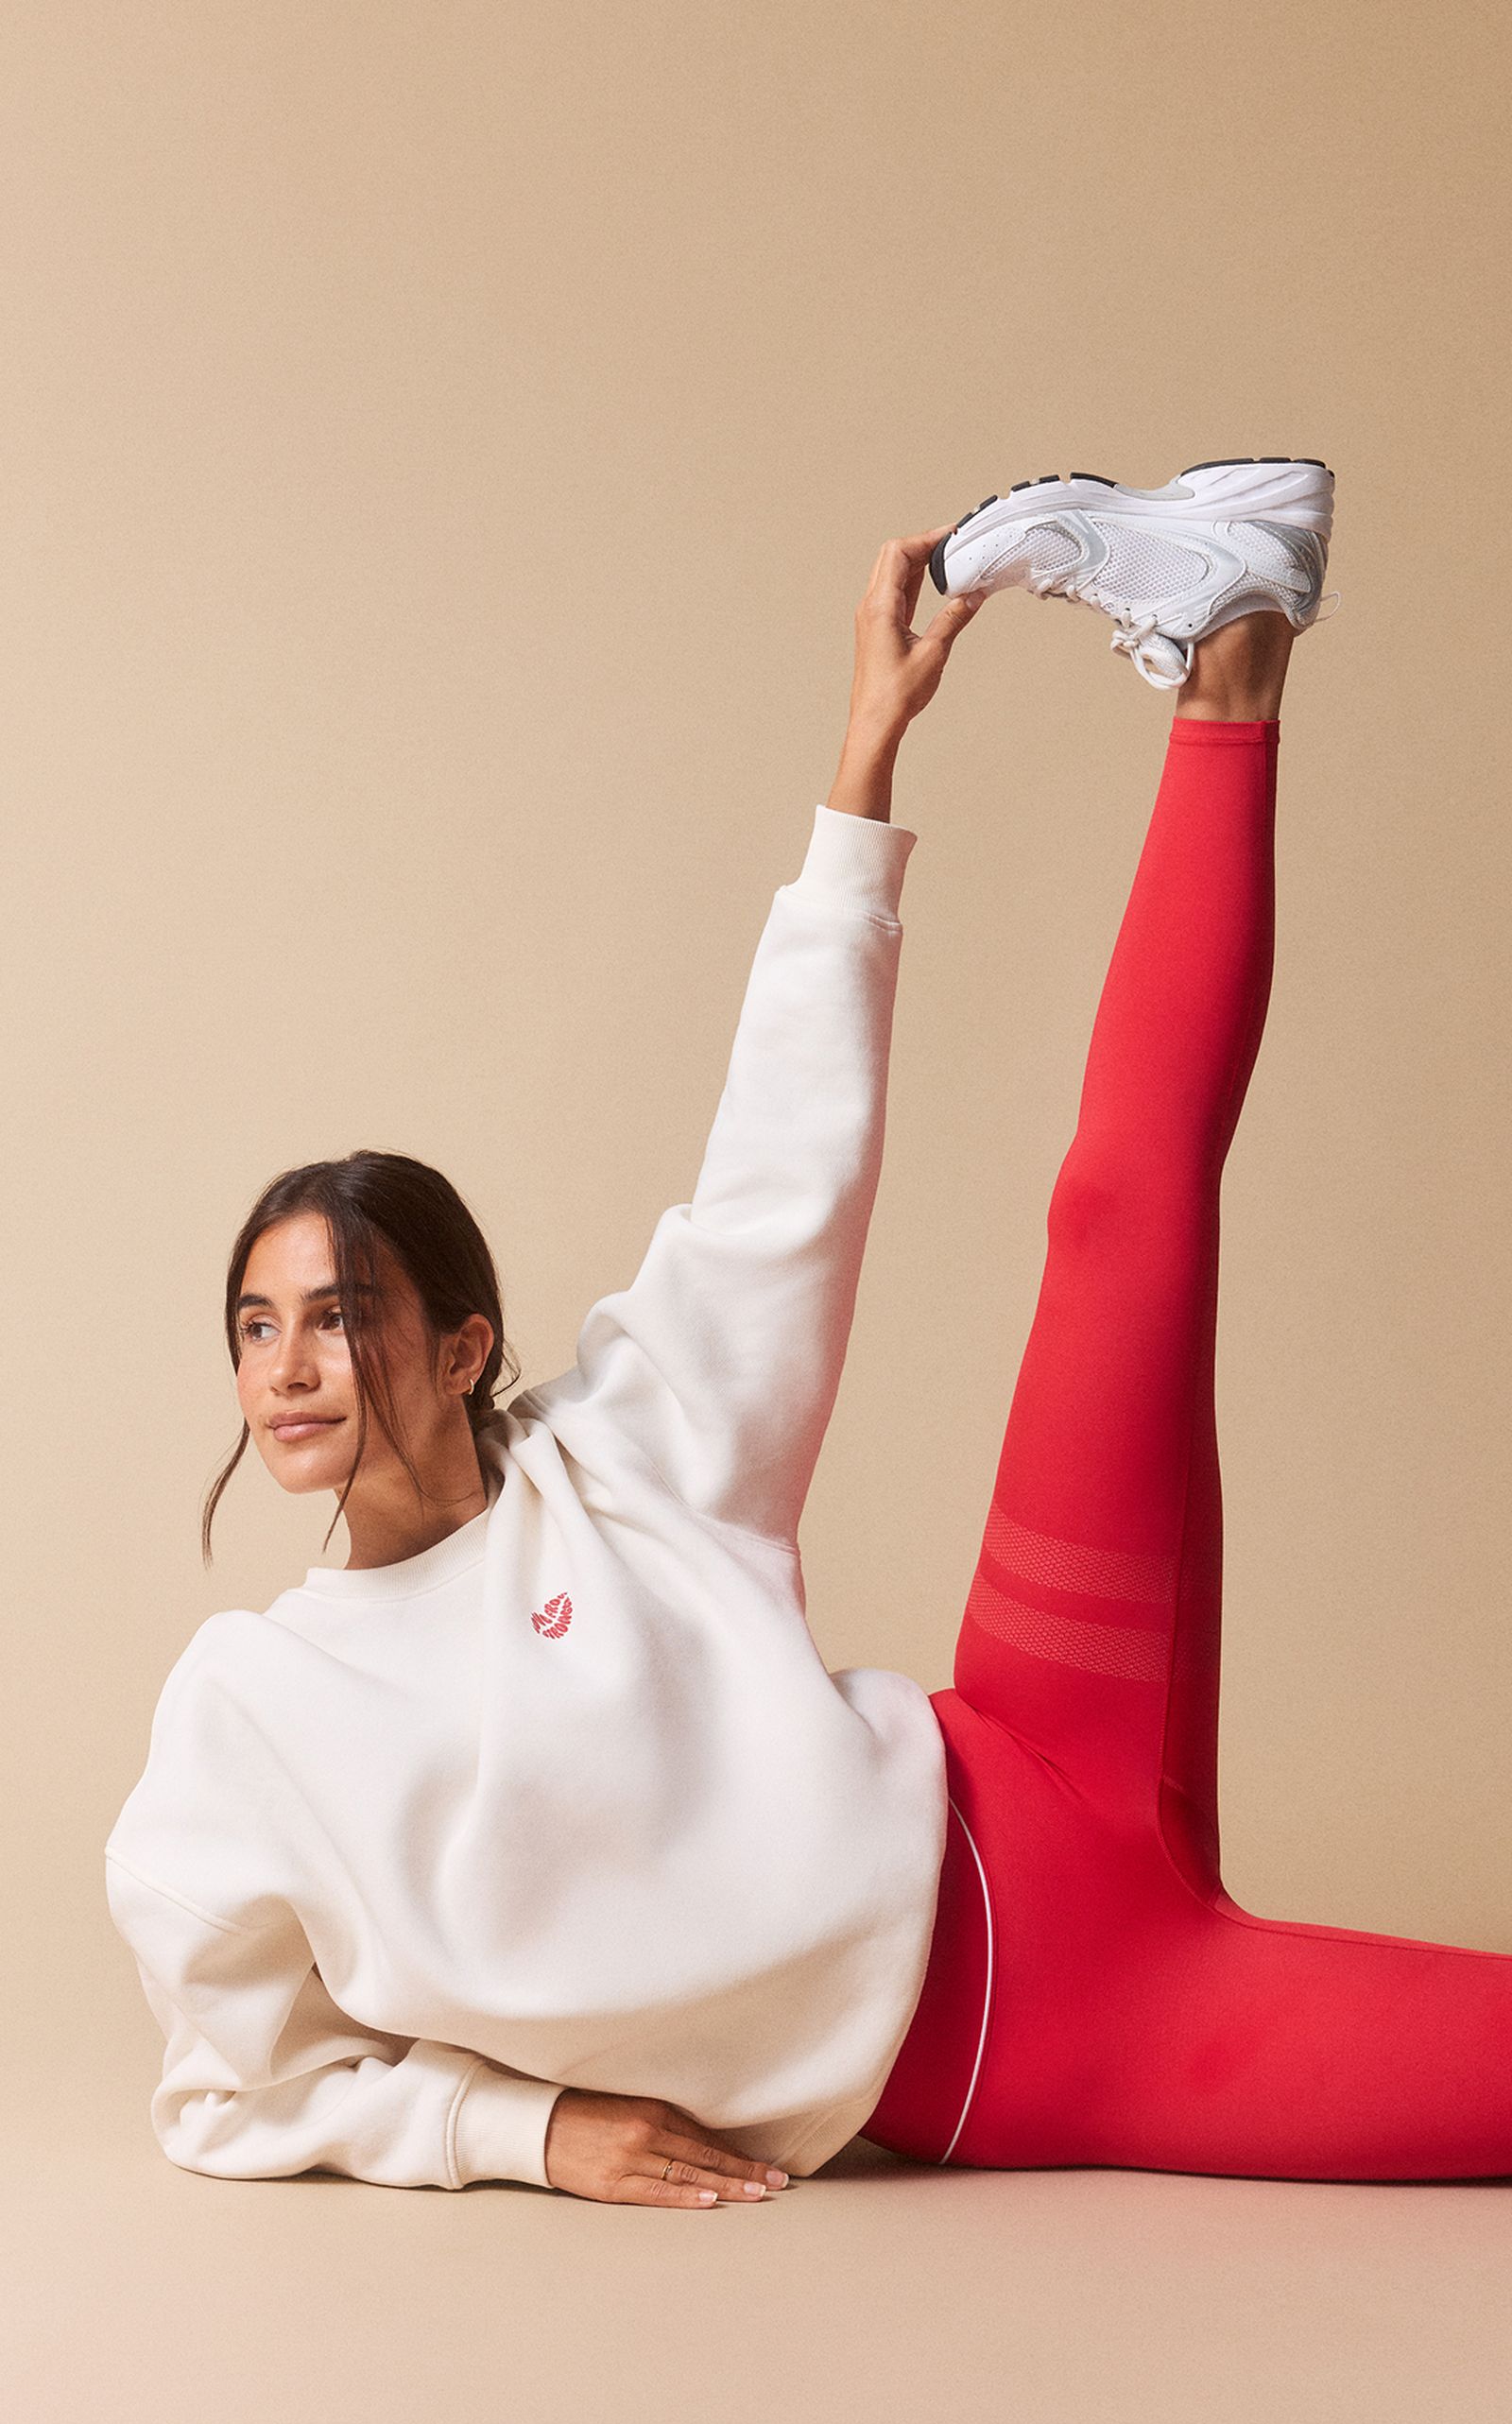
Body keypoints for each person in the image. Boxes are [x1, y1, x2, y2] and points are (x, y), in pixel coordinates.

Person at [104, 461, 1512, 2212]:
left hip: (1021, 1741)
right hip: (1054, 2030)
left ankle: (1235, 627)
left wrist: (864, 765)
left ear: (462, 1346)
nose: (291, 1365)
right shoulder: (250, 1712)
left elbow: (781, 1173)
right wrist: (520, 2131)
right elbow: (228, 2091)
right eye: (259, 1326)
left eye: (343, 1314)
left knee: (1123, 1206)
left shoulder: (618, 1457)